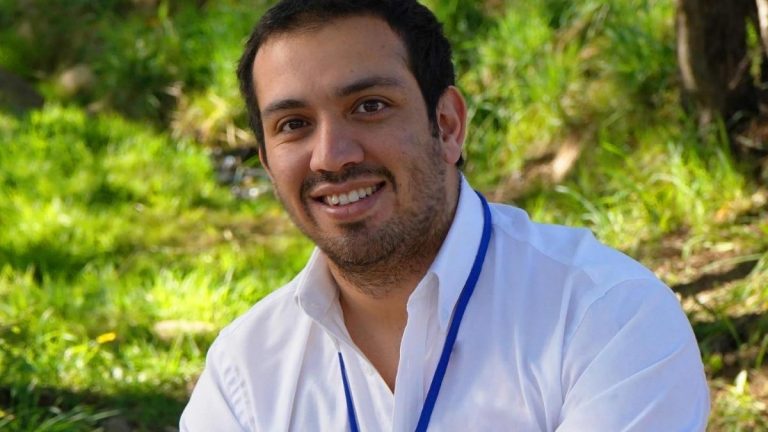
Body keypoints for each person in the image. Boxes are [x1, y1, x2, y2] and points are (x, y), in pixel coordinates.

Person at [180, 0, 710, 430]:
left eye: (369, 106)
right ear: (268, 163)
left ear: (448, 125)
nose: (331, 157)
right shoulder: (244, 373)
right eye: (294, 124)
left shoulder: (605, 316)